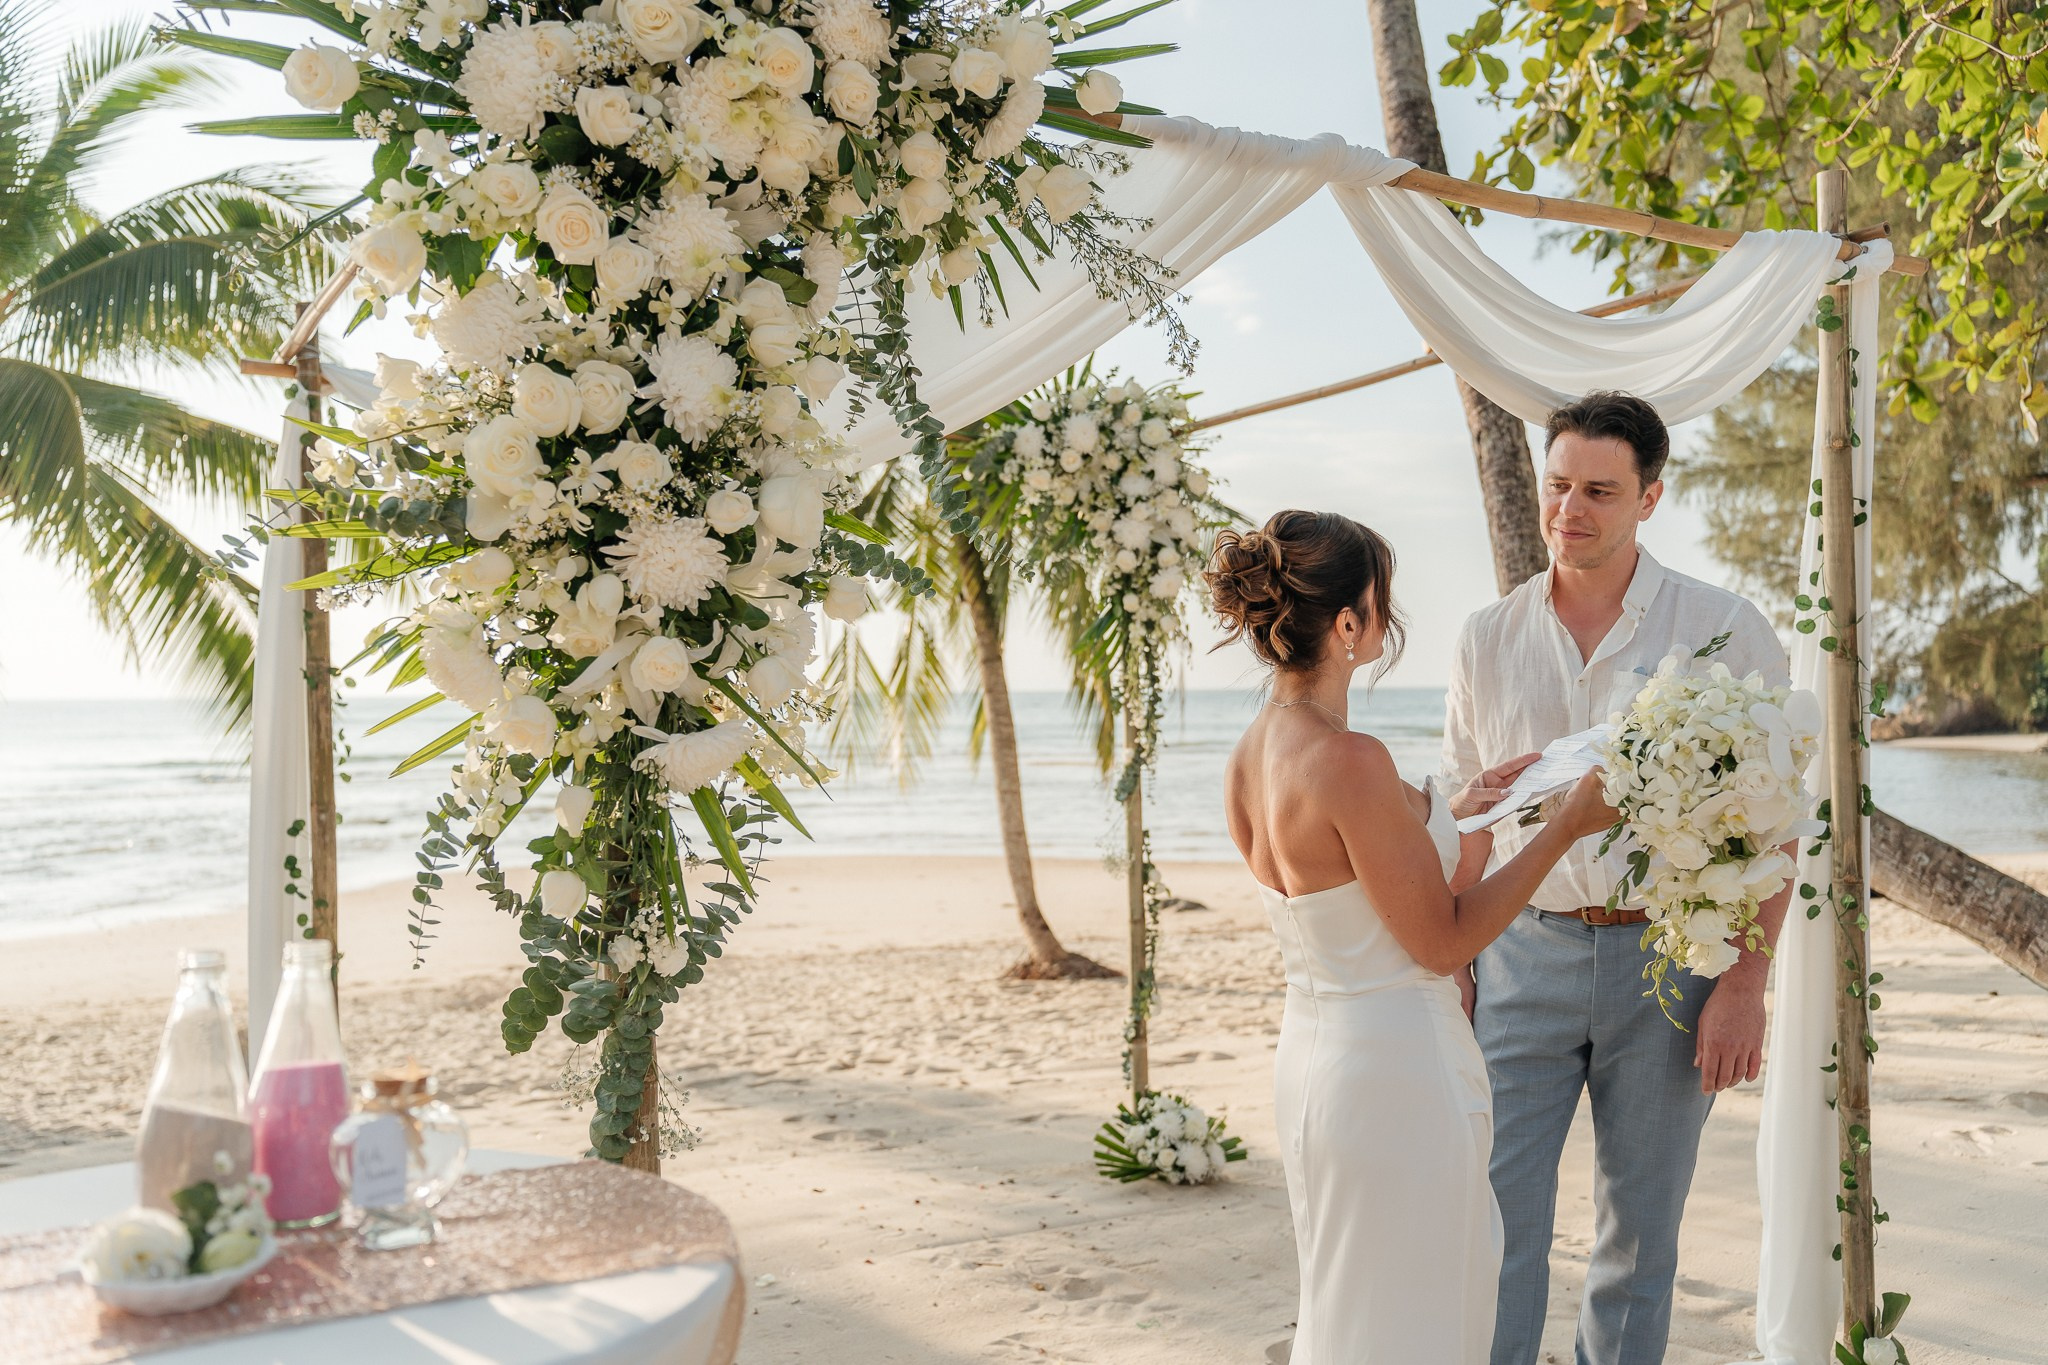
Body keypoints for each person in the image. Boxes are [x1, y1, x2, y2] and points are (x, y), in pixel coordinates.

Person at [1207, 509, 1616, 1364]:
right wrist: (1564, 828)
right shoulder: (1350, 758)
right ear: (1348, 624)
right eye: (1379, 603)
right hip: (1397, 1072)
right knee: (1421, 1314)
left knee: (1357, 1306)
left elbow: (1352, 886)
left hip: (1315, 1062)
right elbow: (1443, 942)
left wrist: (1459, 812)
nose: (1387, 621)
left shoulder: (1251, 753)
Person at [1441, 392, 1794, 1365]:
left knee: (1639, 1234)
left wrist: (1745, 981)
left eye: (1599, 491)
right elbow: (1466, 818)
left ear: (1650, 497)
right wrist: (1454, 961)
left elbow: (1774, 826)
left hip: (1670, 962)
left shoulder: (1723, 629)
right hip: (1519, 957)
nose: (1569, 510)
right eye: (1558, 485)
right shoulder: (1484, 637)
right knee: (1495, 1222)